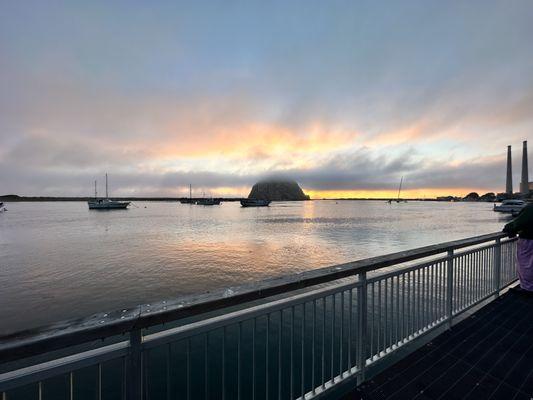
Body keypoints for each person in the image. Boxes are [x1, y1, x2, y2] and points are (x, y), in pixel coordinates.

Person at [503, 202, 533, 294]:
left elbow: (518, 222)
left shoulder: (530, 208)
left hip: (529, 239)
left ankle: (527, 288)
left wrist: (509, 228)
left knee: (525, 264)